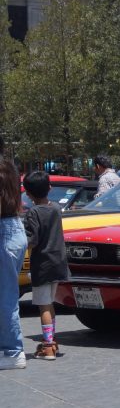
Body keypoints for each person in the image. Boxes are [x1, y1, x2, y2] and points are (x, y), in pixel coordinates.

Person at [21, 171, 69, 360]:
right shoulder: (56, 208)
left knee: (44, 306)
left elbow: (32, 240)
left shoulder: (33, 212)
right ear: (50, 188)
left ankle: (48, 346)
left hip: (42, 264)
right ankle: (52, 341)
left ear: (28, 193)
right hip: (58, 262)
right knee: (50, 303)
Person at [0, 159, 28, 370]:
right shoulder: (9, 167)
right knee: (7, 294)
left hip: (4, 230)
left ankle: (12, 352)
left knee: (6, 296)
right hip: (14, 227)